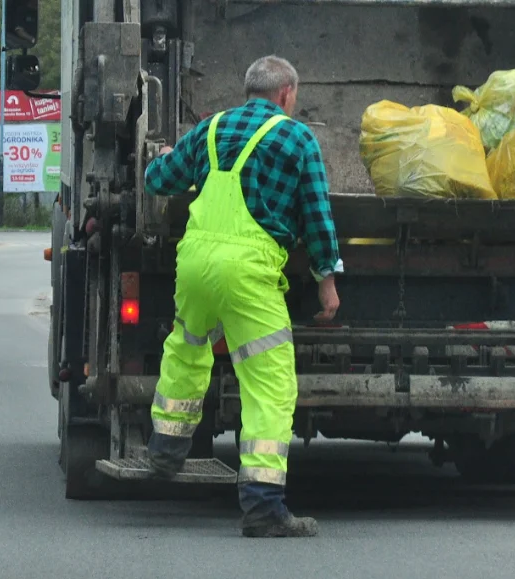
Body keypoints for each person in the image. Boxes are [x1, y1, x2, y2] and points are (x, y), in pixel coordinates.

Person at [141, 55, 343, 538]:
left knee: (187, 350)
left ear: (248, 89)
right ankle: (263, 508)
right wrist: (326, 276)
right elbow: (316, 214)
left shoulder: (211, 128)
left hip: (194, 263)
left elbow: (158, 180)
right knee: (269, 385)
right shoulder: (296, 138)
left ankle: (166, 451)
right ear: (287, 94)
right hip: (248, 272)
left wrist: (162, 156)